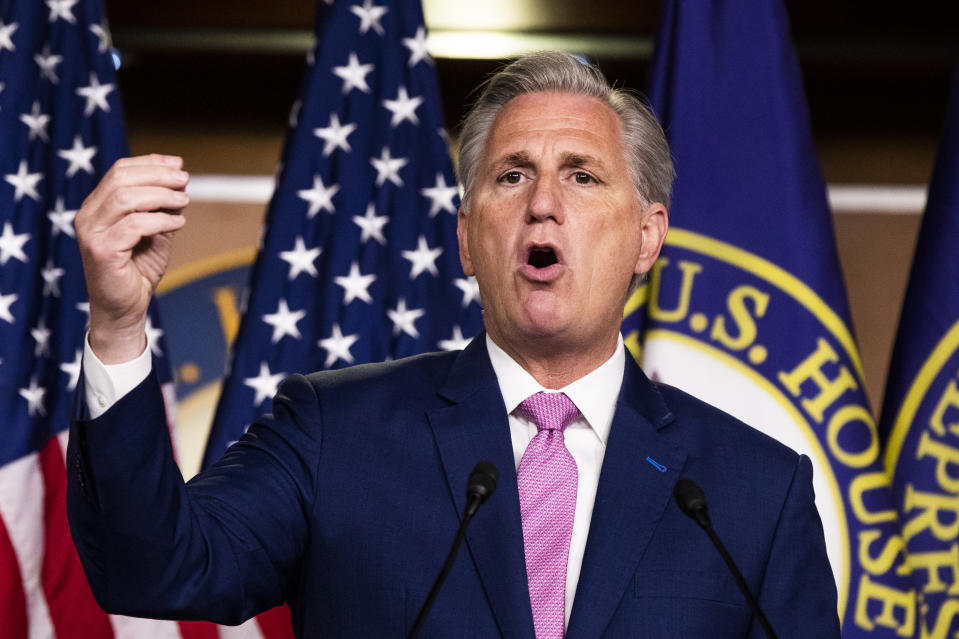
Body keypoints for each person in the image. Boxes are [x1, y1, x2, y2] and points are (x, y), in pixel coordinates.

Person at [68, 52, 840, 638]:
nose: (542, 204)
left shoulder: (751, 494)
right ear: (467, 239)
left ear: (647, 236)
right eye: (511, 176)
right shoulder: (333, 432)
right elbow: (156, 567)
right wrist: (117, 324)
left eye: (581, 176)